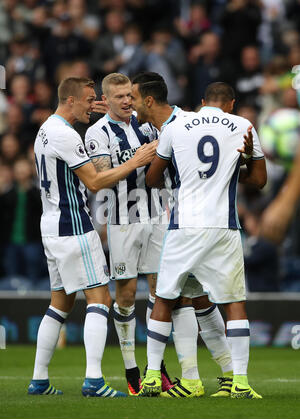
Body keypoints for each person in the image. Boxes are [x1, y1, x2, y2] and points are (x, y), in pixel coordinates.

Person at [28, 76, 156, 397]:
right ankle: (94, 381)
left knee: (60, 303)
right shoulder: (66, 136)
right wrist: (136, 160)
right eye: (88, 100)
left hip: (50, 226)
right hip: (73, 227)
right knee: (100, 300)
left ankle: (39, 379)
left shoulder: (45, 129)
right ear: (71, 100)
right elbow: (96, 182)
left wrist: (101, 115)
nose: (93, 105)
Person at [130, 72, 255, 398]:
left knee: (177, 298)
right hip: (208, 222)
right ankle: (221, 376)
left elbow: (154, 179)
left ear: (148, 99)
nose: (130, 105)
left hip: (183, 222)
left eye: (133, 97)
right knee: (199, 298)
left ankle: (188, 378)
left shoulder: (180, 124)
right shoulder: (157, 126)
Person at [84, 72, 172, 396]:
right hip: (122, 220)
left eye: (129, 96)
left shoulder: (146, 125)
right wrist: (137, 161)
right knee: (125, 293)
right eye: (119, 97)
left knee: (160, 289)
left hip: (156, 214)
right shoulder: (97, 133)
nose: (126, 101)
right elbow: (100, 178)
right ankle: (131, 367)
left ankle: (155, 367)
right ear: (106, 99)